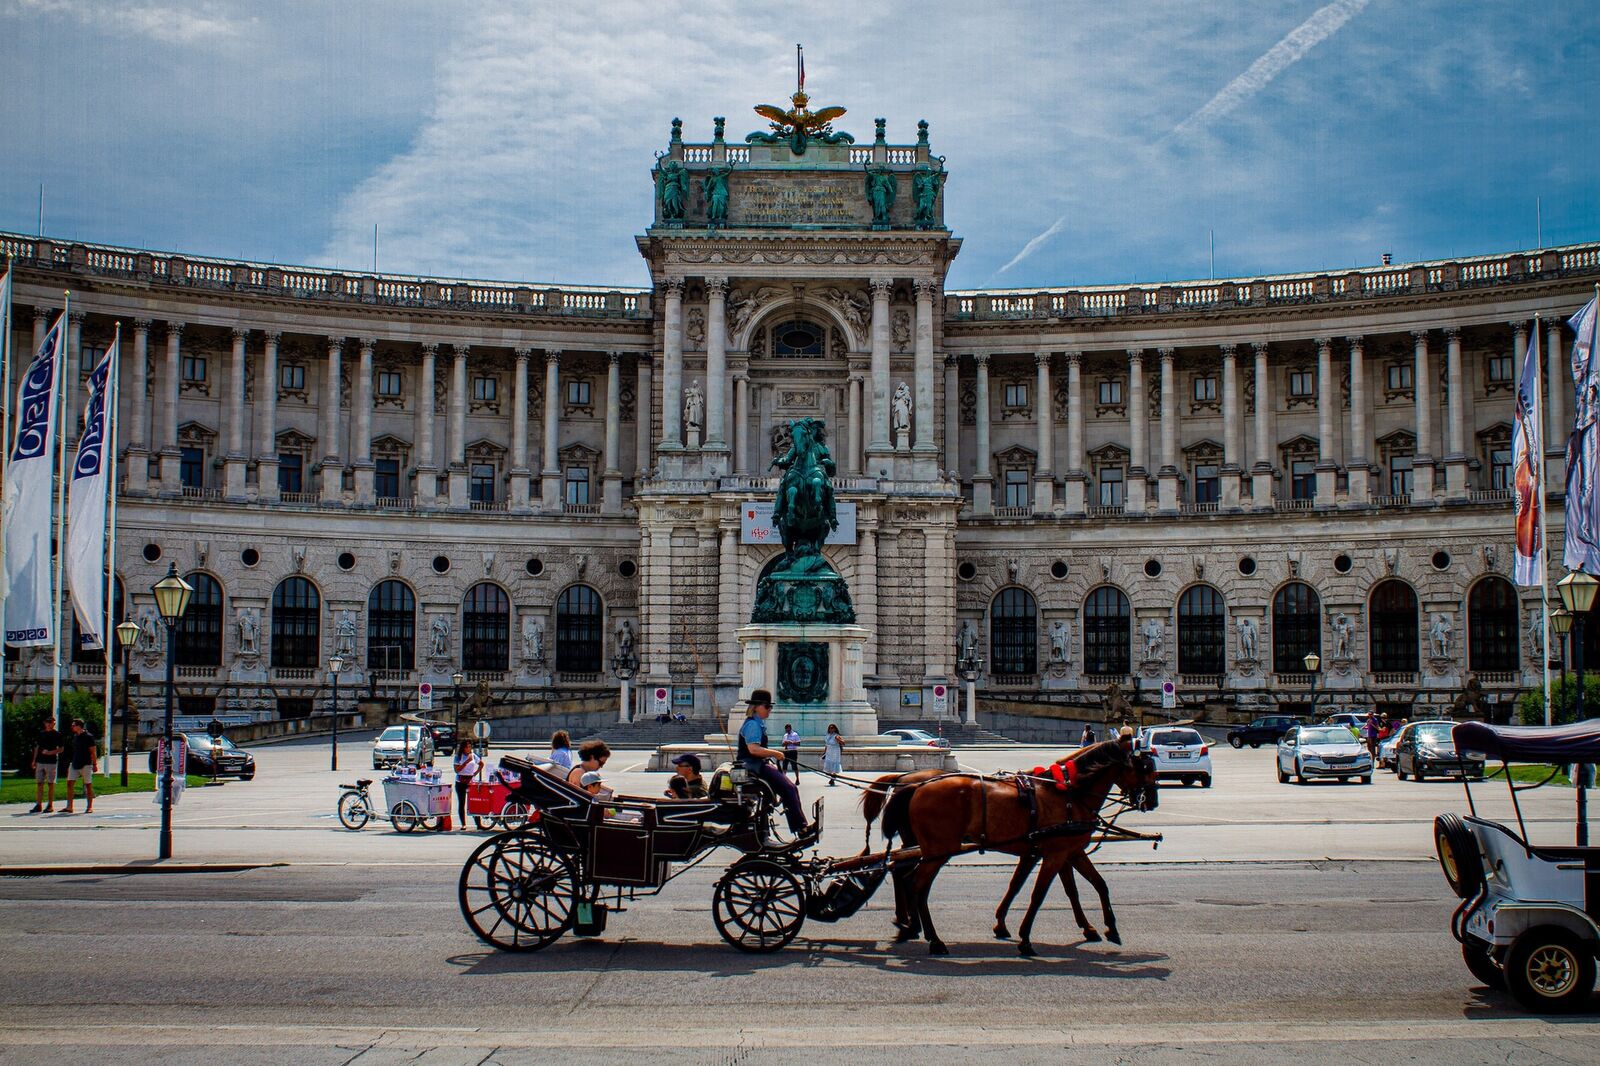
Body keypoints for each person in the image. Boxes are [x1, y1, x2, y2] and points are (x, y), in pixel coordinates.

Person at [738, 689, 810, 838]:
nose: (770, 709)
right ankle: (800, 828)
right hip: (754, 765)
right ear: (756, 707)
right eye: (767, 706)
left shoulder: (756, 723)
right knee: (789, 788)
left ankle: (799, 825)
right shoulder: (752, 725)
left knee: (789, 788)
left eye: (770, 707)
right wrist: (775, 753)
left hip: (756, 764)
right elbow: (753, 749)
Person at [30, 720, 64, 814]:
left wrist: (50, 752)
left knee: (50, 783)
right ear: (45, 724)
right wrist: (34, 760)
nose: (49, 724)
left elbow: (61, 749)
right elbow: (37, 747)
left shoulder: (57, 735)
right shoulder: (41, 734)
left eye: (51, 723)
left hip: (51, 762)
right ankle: (38, 804)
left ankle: (50, 805)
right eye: (47, 723)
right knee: (39, 783)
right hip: (40, 761)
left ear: (54, 724)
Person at [64, 719, 97, 814]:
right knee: (70, 783)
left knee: (88, 785)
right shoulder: (75, 736)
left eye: (74, 725)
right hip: (75, 763)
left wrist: (94, 764)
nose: (72, 727)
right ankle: (69, 806)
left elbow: (93, 752)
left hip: (86, 763)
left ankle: (89, 806)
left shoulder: (88, 737)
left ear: (79, 726)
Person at [453, 739, 481, 829]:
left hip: (470, 781)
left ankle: (478, 823)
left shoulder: (473, 755)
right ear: (463, 748)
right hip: (460, 781)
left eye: (470, 747)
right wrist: (466, 762)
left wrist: (475, 773)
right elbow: (456, 770)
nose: (468, 749)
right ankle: (463, 824)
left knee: (474, 802)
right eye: (467, 747)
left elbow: (481, 764)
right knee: (462, 802)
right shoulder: (458, 756)